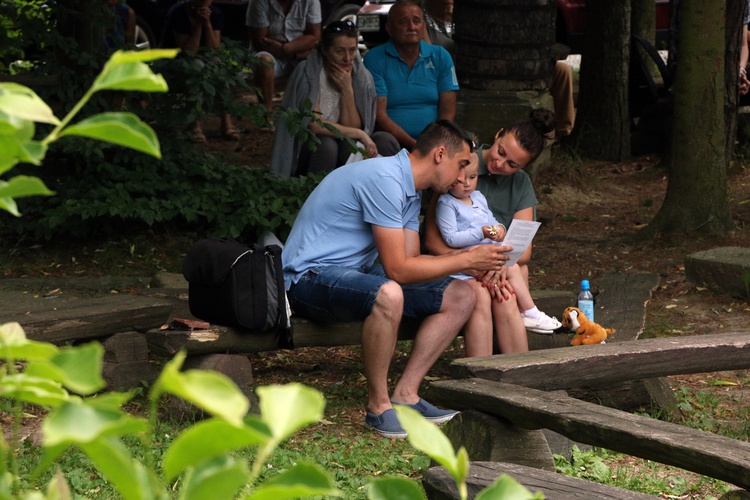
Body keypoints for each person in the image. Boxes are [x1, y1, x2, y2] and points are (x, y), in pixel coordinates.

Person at [282, 119, 513, 438]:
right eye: (460, 165)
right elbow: (398, 271)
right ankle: (378, 408)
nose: (463, 177)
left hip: (353, 272)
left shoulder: (410, 188)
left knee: (462, 294)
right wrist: (465, 258)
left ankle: (406, 395)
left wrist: (473, 266)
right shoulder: (384, 179)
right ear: (439, 154)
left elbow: (413, 261)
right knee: (389, 293)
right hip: (307, 277)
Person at [424, 109, 556, 351]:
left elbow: (523, 250)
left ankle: (517, 372)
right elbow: (433, 241)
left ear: (523, 167)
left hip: (497, 264)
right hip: (453, 262)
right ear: (497, 135)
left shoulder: (521, 184)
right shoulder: (462, 164)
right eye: (500, 152)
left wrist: (495, 267)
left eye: (511, 164)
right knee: (494, 291)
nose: (499, 163)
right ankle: (483, 374)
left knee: (507, 290)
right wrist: (472, 264)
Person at [270, 20, 399, 176]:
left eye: (352, 50)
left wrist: (347, 89)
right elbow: (314, 125)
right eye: (340, 51)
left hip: (343, 143)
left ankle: (386, 192)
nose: (347, 58)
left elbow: (353, 125)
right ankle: (316, 193)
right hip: (310, 147)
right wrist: (360, 134)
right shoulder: (308, 73)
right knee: (327, 145)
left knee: (385, 140)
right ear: (325, 49)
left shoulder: (361, 76)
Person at [363, 0, 458, 153]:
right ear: (389, 28)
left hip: (433, 140)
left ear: (423, 26)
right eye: (403, 22)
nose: (412, 27)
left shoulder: (440, 56)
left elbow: (448, 111)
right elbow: (379, 115)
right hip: (393, 141)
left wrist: (434, 142)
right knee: (382, 141)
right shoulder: (375, 59)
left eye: (416, 21)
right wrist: (416, 146)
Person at [161, 0, 239, 142]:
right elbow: (188, 52)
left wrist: (207, 23)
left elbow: (214, 50)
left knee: (218, 66)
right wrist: (197, 25)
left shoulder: (215, 14)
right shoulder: (178, 13)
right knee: (197, 65)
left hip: (205, 61)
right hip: (175, 63)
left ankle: (226, 121)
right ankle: (195, 124)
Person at [246, 0, 322, 115]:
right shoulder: (259, 2)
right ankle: (267, 115)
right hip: (271, 53)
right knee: (263, 62)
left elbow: (314, 36)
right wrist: (291, 50)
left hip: (299, 53)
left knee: (317, 60)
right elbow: (260, 42)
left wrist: (286, 49)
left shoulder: (311, 1)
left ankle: (309, 114)